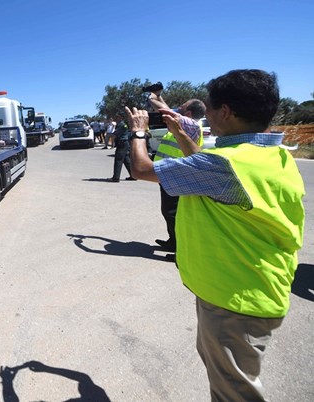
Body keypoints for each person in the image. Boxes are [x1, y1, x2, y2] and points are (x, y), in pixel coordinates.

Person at [126, 69, 305, 401]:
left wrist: (138, 133)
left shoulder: (225, 165)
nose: (204, 114)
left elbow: (140, 169)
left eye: (209, 107)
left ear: (226, 112)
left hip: (234, 302)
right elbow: (210, 172)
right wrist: (182, 134)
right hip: (252, 287)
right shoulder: (269, 154)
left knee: (234, 394)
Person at [151, 98, 206, 252]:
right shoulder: (180, 125)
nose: (177, 108)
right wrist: (158, 96)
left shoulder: (191, 126)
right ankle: (173, 242)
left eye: (181, 107)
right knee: (169, 211)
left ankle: (180, 248)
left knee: (172, 213)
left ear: (188, 113)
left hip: (176, 175)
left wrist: (152, 98)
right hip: (168, 174)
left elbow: (164, 109)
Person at [108, 116, 135, 182]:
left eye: (118, 117)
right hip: (124, 143)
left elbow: (114, 134)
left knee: (118, 160)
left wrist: (112, 144)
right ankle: (133, 175)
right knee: (126, 160)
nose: (116, 118)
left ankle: (116, 177)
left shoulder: (121, 125)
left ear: (121, 118)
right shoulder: (122, 124)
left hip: (122, 143)